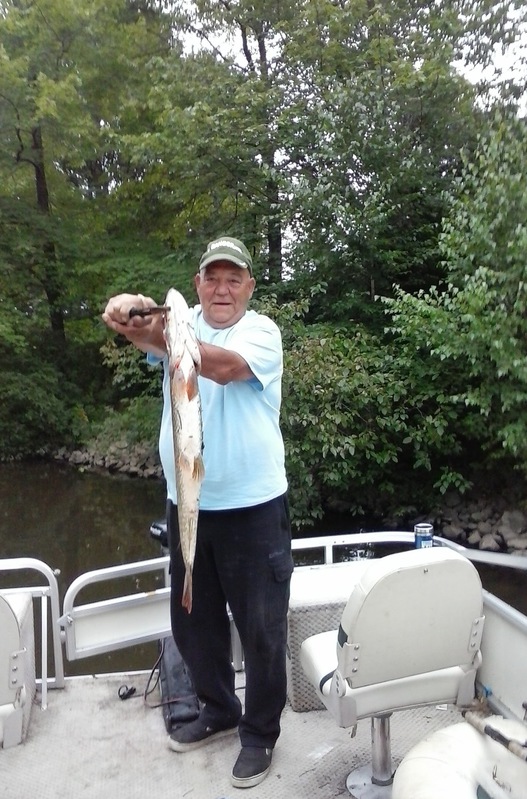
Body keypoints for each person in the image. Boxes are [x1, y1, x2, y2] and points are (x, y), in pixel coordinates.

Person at [102, 236, 293, 789]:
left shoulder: (261, 333)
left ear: (249, 287)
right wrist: (125, 306)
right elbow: (133, 324)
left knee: (262, 629)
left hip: (254, 511)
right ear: (198, 285)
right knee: (194, 622)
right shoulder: (177, 328)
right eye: (213, 278)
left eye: (234, 278)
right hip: (189, 503)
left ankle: (259, 732)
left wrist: (167, 334)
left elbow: (226, 368)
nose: (223, 288)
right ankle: (218, 710)